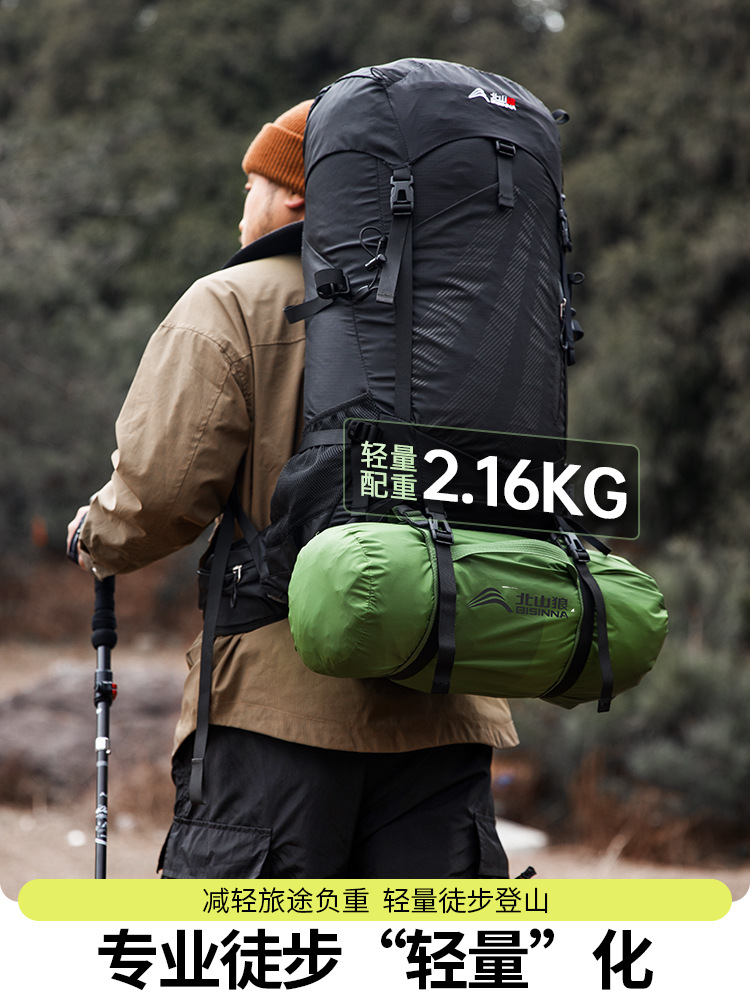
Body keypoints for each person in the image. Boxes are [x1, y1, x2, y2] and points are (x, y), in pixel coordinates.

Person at [67, 99, 520, 878]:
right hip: (448, 701)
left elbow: (163, 492)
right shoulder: (470, 314)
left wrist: (95, 534)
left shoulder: (232, 302)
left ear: (296, 194)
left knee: (250, 966)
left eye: (250, 184)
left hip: (280, 714)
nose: (241, 206)